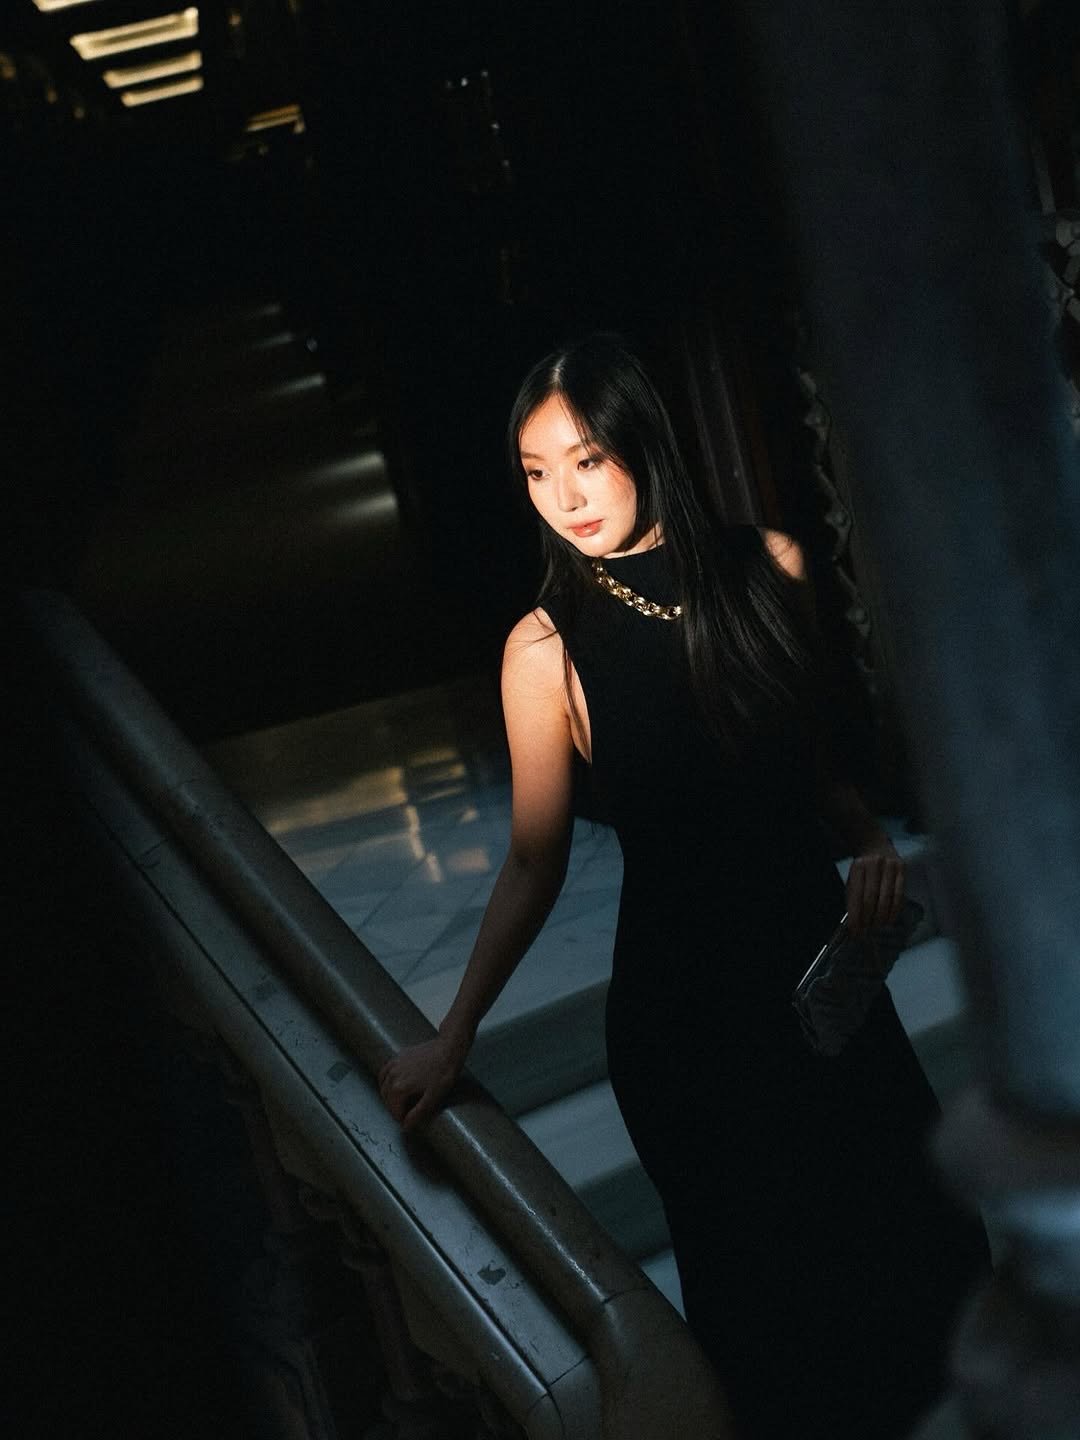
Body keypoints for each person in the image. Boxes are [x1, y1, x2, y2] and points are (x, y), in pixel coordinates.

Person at [379, 333, 989, 1439]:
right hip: (690, 1027)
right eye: (534, 472)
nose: (563, 496)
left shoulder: (774, 567)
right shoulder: (544, 651)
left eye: (587, 459)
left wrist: (863, 840)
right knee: (778, 1326)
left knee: (926, 1251)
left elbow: (802, 755)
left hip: (820, 987)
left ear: (641, 447)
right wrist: (454, 1034)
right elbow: (532, 859)